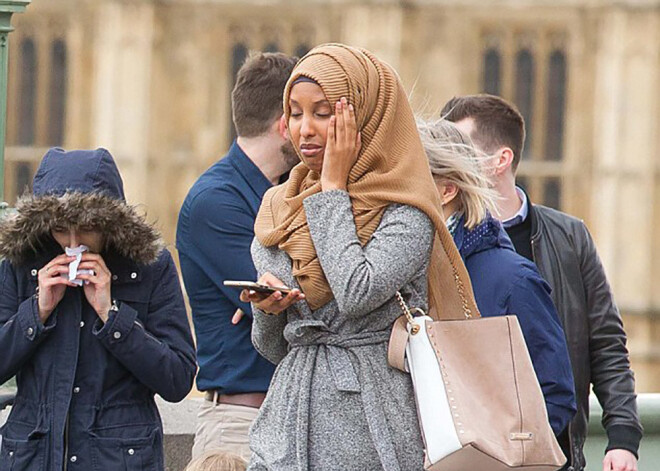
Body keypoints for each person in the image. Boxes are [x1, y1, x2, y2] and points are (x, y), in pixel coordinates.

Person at [242, 43, 465, 471]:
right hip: (287, 422)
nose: (304, 129)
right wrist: (269, 309)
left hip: (371, 418)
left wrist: (332, 188)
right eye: (294, 112)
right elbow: (272, 347)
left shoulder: (406, 209)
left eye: (323, 113)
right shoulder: (279, 207)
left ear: (363, 115)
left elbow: (356, 291)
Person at [441, 94, 643, 471]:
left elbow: (605, 342)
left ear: (500, 161)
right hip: (467, 453)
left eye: (458, 150)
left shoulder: (568, 237)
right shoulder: (437, 245)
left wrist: (623, 438)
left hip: (554, 451)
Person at [0, 147, 196, 471]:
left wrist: (112, 316)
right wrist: (36, 312)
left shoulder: (150, 265)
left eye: (88, 227)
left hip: (118, 459)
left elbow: (177, 378)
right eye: (61, 228)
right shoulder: (21, 265)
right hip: (30, 458)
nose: (74, 241)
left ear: (110, 220)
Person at [417, 118, 576, 437]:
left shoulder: (513, 280)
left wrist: (493, 455)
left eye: (408, 178)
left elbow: (554, 394)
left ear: (447, 190)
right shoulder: (393, 274)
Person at [176, 52, 298, 460]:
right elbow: (290, 306)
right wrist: (278, 296)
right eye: (304, 116)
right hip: (240, 428)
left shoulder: (288, 193)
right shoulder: (217, 202)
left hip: (293, 420)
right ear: (285, 124)